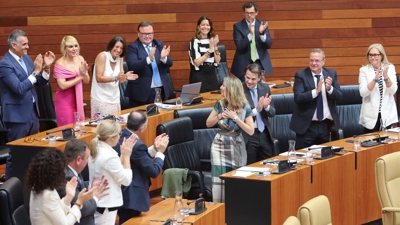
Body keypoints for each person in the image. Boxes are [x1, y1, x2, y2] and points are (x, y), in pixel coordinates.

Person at [0, 29, 55, 180]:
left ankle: (30, 183)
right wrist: (35, 72)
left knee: (33, 151)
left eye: (27, 44)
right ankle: (10, 188)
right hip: (17, 116)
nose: (27, 47)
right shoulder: (5, 64)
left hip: (32, 113)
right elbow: (18, 88)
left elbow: (41, 83)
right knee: (17, 153)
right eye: (24, 44)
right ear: (13, 45)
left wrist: (46, 68)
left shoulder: (26, 59)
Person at [114, 110, 169, 224]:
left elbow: (138, 157)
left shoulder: (122, 136)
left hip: (120, 193)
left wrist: (154, 148)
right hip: (131, 196)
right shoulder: (137, 145)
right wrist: (160, 153)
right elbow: (153, 172)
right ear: (142, 128)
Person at [206, 76, 254, 202]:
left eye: (223, 86)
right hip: (219, 146)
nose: (221, 88)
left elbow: (251, 130)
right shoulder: (220, 104)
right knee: (219, 180)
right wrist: (220, 115)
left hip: (236, 146)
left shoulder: (245, 107)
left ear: (231, 89)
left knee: (237, 179)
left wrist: (236, 118)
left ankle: (237, 208)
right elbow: (208, 123)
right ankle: (218, 208)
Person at [289, 48, 343, 149]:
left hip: (325, 125)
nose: (313, 63)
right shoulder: (301, 75)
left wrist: (329, 89)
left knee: (323, 158)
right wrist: (316, 91)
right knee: (304, 159)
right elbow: (298, 98)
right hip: (306, 126)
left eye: (317, 60)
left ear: (323, 61)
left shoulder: (331, 74)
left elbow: (340, 96)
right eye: (311, 60)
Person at [26, 148, 96, 225]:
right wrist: (79, 203)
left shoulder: (38, 186)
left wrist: (69, 196)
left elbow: (56, 211)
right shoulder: (48, 195)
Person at [88, 119, 137, 225]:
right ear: (112, 137)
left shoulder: (96, 148)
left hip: (98, 201)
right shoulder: (109, 156)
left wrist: (123, 154)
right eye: (119, 134)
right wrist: (127, 157)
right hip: (106, 205)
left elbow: (111, 170)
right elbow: (126, 180)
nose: (120, 136)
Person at [57, 139, 109, 225]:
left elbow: (79, 186)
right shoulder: (67, 177)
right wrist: (95, 197)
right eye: (87, 158)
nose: (88, 161)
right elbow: (82, 208)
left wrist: (90, 186)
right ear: (78, 160)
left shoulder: (72, 170)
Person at [125, 20, 173, 107]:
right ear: (138, 33)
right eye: (144, 34)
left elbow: (170, 63)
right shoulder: (132, 47)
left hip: (161, 90)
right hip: (142, 93)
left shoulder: (159, 44)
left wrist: (164, 58)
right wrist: (149, 59)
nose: (147, 36)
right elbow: (132, 65)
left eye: (150, 33)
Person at [90, 36, 138, 118]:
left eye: (121, 48)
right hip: (101, 98)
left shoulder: (120, 58)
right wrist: (116, 78)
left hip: (115, 99)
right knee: (105, 127)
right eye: (117, 47)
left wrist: (125, 77)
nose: (119, 50)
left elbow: (121, 79)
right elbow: (99, 78)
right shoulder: (102, 56)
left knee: (115, 126)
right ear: (111, 46)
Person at [359, 43, 398, 133]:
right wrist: (375, 79)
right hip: (370, 116)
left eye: (375, 55)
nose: (373, 57)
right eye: (370, 55)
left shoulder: (390, 68)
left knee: (388, 144)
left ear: (381, 56)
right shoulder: (364, 70)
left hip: (387, 115)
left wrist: (385, 75)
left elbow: (393, 90)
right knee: (371, 144)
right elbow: (363, 93)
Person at [242, 63, 276, 164]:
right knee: (251, 167)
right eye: (247, 77)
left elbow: (273, 112)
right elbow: (240, 116)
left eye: (253, 79)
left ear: (259, 78)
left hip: (264, 133)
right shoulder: (239, 90)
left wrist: (266, 107)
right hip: (249, 134)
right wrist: (257, 109)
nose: (249, 81)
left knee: (267, 166)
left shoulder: (265, 88)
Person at [231, 1, 273, 82]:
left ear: (256, 12)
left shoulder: (262, 25)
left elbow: (268, 45)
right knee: (244, 90)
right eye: (247, 13)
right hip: (244, 63)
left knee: (260, 88)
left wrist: (261, 34)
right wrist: (250, 35)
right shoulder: (238, 26)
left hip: (259, 62)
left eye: (251, 13)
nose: (249, 15)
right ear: (243, 13)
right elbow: (239, 46)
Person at [54, 36, 90, 126]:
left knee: (79, 129)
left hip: (78, 101)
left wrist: (84, 74)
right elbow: (62, 85)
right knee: (68, 129)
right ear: (64, 48)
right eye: (70, 47)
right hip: (64, 103)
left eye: (75, 46)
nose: (74, 49)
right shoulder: (60, 63)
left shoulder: (80, 58)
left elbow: (87, 81)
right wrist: (80, 77)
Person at [189, 16, 221, 92]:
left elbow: (218, 60)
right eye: (203, 25)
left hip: (212, 74)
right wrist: (209, 50)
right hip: (199, 75)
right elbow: (197, 62)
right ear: (198, 27)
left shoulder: (211, 40)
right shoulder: (195, 41)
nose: (205, 27)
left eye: (208, 25)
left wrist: (215, 46)